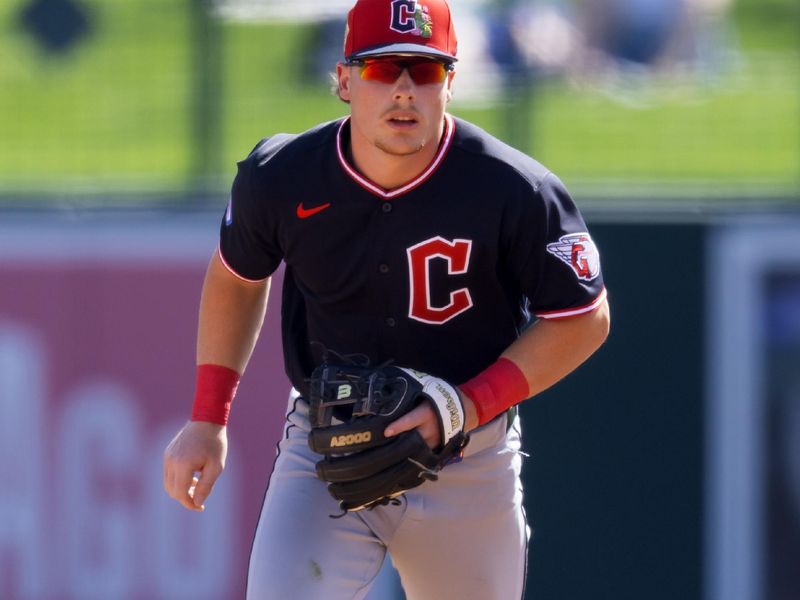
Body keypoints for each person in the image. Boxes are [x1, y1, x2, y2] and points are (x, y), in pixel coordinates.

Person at [163, 0, 610, 598]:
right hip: (327, 444)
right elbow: (237, 277)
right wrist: (207, 418)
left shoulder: (516, 189)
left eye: (424, 71)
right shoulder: (283, 175)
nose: (404, 89)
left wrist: (466, 405)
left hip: (466, 457)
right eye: (382, 68)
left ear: (450, 82)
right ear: (344, 80)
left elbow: (583, 319)